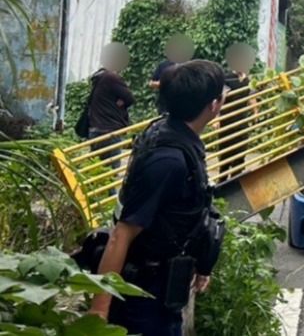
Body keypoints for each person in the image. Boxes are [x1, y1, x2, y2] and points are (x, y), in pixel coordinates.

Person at [89, 60, 226, 336]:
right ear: (213, 106)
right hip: (144, 298)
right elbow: (122, 234)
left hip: (163, 289)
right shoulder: (168, 160)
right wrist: (99, 311)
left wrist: (201, 263)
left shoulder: (174, 135)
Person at [215, 43, 256, 182]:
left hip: (242, 123)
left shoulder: (247, 80)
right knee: (225, 156)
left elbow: (251, 97)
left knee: (240, 156)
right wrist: (216, 119)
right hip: (227, 122)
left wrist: (255, 112)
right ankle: (222, 184)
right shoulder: (226, 79)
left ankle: (236, 184)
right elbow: (219, 99)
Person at [87, 43, 135, 159]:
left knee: (96, 167)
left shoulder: (99, 77)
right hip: (110, 129)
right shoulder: (112, 78)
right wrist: (123, 101)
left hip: (95, 127)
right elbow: (130, 98)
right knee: (112, 169)